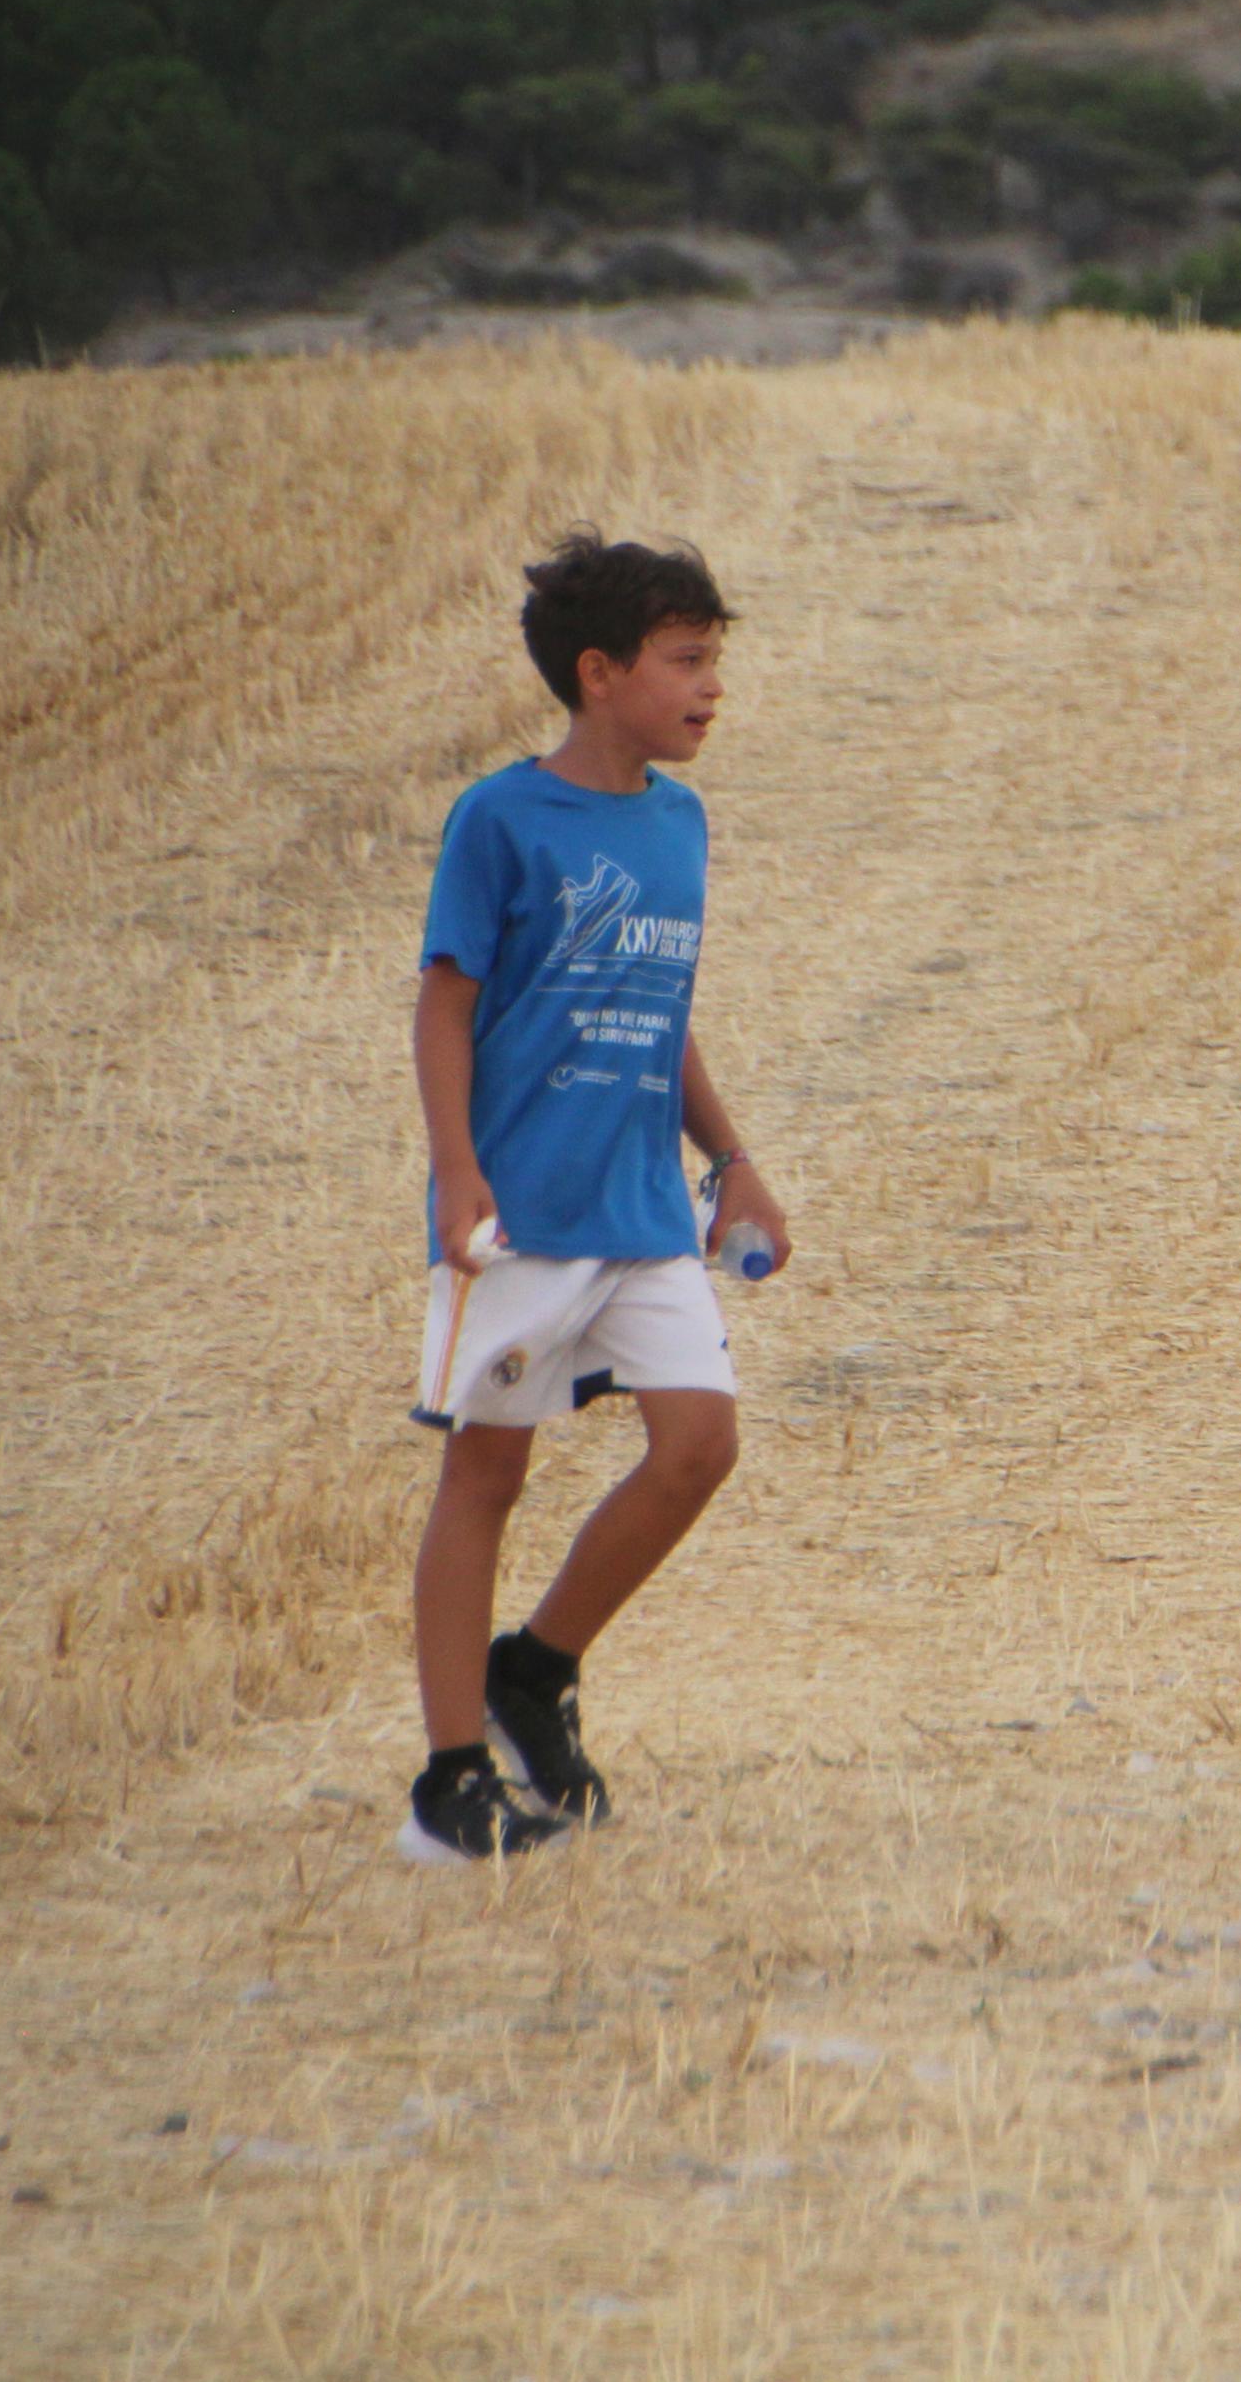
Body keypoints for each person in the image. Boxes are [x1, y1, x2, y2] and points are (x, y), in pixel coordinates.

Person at [397, 534, 792, 1864]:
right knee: (487, 1471)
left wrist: (731, 1162)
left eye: (715, 661)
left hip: (640, 1211)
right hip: (521, 1214)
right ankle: (452, 1779)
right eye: (687, 662)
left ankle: (537, 1665)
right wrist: (458, 1171)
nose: (711, 688)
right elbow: (445, 1004)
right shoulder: (501, 821)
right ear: (600, 672)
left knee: (699, 1445)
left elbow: (661, 1012)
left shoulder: (678, 824)